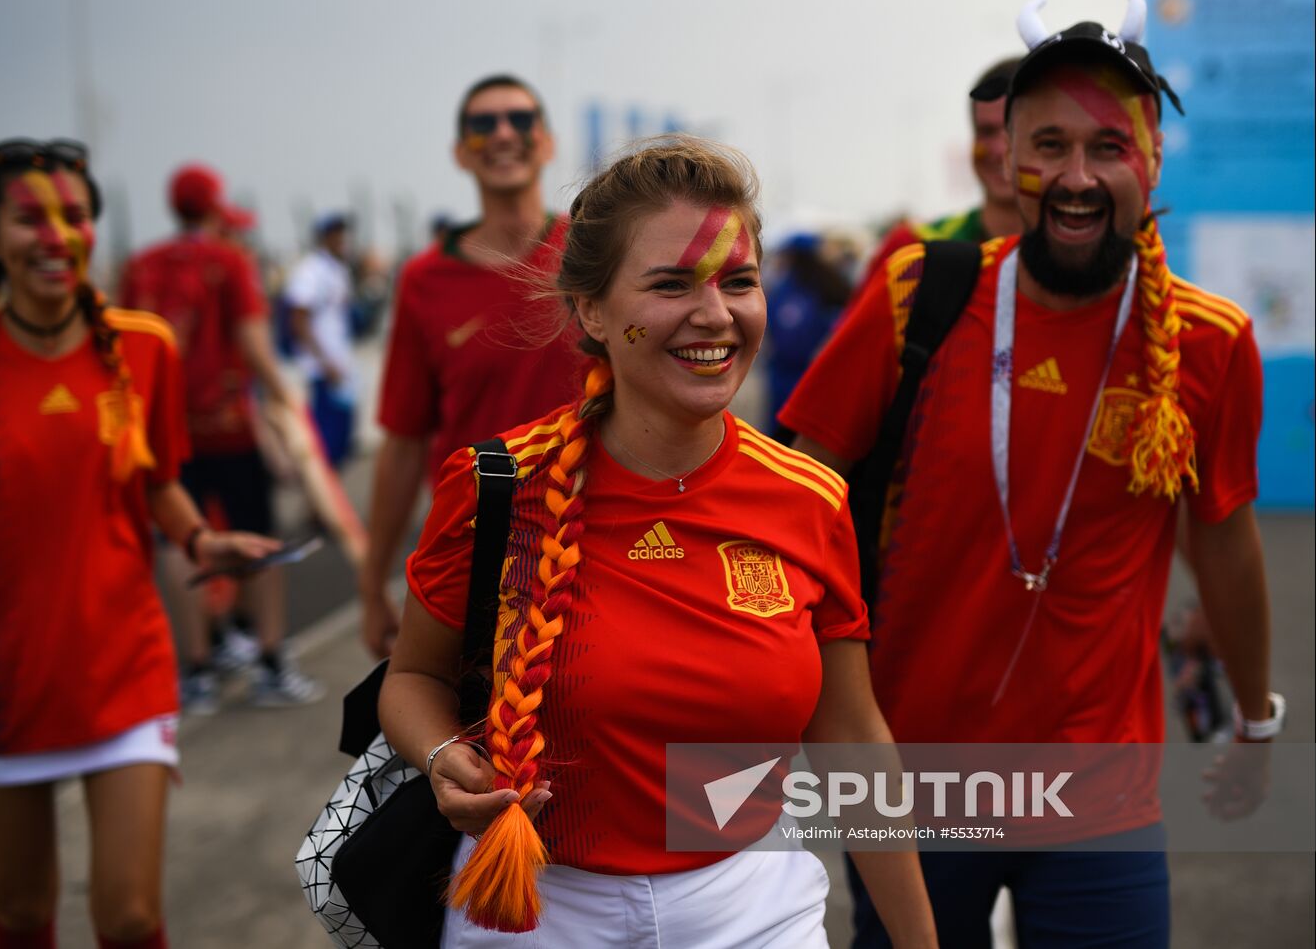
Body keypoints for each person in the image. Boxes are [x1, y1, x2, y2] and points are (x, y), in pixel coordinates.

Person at [781, 4, 1278, 944]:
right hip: (910, 779)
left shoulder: (1212, 345)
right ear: (1008, 161)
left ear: (1153, 163)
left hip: (1100, 799)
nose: (1079, 177)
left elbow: (1225, 545)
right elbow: (802, 494)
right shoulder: (917, 292)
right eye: (1050, 143)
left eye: (1108, 147)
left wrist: (1254, 722)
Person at [380, 136, 938, 947]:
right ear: (592, 310)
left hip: (756, 907)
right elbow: (414, 677)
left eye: (738, 281)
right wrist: (440, 761)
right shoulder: (495, 485)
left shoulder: (810, 498)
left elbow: (851, 736)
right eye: (672, 284)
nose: (715, 316)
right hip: (533, 909)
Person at [0, 139, 277, 949]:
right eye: (28, 218)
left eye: (73, 216)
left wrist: (200, 537)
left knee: (131, 916)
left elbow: (156, 481)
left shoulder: (145, 346)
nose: (54, 235)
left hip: (125, 664)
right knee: (18, 914)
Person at [361, 74, 584, 659]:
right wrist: (372, 578)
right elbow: (404, 443)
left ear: (548, 143)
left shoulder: (593, 257)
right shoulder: (423, 281)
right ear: (461, 153)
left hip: (590, 538)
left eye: (521, 119)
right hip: (475, 555)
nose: (503, 133)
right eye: (482, 124)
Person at [121, 163, 322, 713]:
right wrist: (287, 401)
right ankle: (271, 663)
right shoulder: (230, 262)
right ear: (212, 209)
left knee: (178, 542)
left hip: (163, 427)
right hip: (228, 424)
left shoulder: (140, 266)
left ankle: (198, 671)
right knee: (258, 539)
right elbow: (254, 346)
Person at [848, 56, 1023, 309]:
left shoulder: (1081, 256)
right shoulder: (913, 248)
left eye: (1013, 131)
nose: (999, 149)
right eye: (986, 132)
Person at [762, 232, 852, 440]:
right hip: (815, 378)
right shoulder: (834, 287)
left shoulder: (787, 288)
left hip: (787, 375)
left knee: (780, 437)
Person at [285, 212, 355, 468]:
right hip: (321, 371)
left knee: (341, 441)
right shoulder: (311, 270)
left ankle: (326, 501)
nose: (341, 239)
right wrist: (325, 362)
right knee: (324, 443)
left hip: (338, 366)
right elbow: (299, 319)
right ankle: (320, 503)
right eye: (335, 234)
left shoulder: (337, 269)